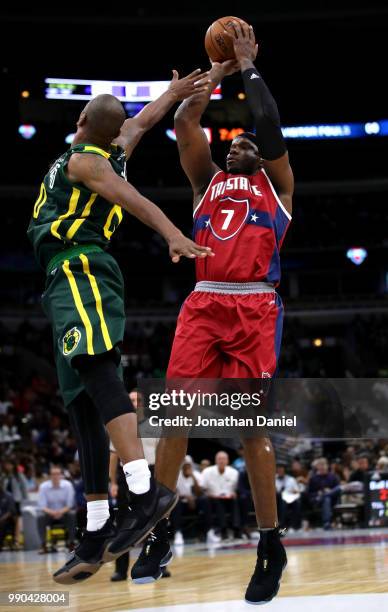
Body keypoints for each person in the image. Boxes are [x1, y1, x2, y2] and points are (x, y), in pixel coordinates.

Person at [27, 69, 214, 585]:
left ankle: (143, 490)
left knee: (96, 367)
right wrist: (175, 92)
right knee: (82, 403)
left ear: (80, 119)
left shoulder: (87, 161)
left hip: (79, 263)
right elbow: (143, 123)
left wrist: (174, 234)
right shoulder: (115, 147)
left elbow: (136, 202)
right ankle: (93, 533)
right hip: (60, 278)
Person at [139, 22, 293, 604]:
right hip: (204, 300)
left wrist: (249, 68)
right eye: (231, 143)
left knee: (252, 430)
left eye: (245, 143)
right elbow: (183, 126)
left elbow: (270, 124)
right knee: (172, 417)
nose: (238, 145)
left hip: (254, 307)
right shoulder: (208, 184)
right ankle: (158, 532)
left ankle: (270, 543)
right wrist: (215, 76)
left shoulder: (277, 186)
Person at [110, 389, 171, 583]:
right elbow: (113, 456)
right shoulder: (120, 426)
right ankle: (120, 570)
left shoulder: (154, 425)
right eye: (131, 400)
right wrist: (112, 482)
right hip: (126, 475)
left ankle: (159, 561)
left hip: (153, 473)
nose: (134, 403)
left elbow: (164, 454)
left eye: (137, 400)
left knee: (156, 521)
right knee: (122, 523)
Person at [200, 451, 241, 540]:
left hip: (229, 498)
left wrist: (234, 493)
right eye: (219, 459)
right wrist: (208, 494)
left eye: (224, 459)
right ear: (216, 461)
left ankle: (236, 528)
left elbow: (237, 488)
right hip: (212, 498)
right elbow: (202, 488)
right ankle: (223, 530)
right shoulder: (207, 472)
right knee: (218, 502)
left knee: (236, 500)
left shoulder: (234, 472)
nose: (221, 461)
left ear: (227, 461)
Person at [37, 466, 76, 553]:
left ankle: (71, 543)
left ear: (61, 475)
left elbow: (70, 504)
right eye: (53, 474)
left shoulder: (68, 485)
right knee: (40, 517)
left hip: (64, 513)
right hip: (49, 514)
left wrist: (60, 512)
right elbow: (42, 506)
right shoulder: (43, 487)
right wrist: (53, 513)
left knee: (72, 515)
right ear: (50, 476)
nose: (55, 476)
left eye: (57, 474)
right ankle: (43, 545)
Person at [1, 460, 28, 549]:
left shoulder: (19, 475)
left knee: (17, 520)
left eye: (9, 464)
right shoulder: (4, 476)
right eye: (6, 464)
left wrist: (25, 500)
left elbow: (24, 489)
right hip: (7, 501)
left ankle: (16, 539)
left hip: (17, 500)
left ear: (13, 465)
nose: (8, 466)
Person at [307, 458, 340, 529]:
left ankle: (326, 522)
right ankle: (327, 522)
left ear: (327, 466)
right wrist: (318, 493)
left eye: (324, 464)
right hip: (318, 500)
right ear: (317, 467)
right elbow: (309, 493)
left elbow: (338, 490)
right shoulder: (313, 478)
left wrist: (330, 491)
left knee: (330, 495)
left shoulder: (333, 477)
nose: (322, 467)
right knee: (326, 499)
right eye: (320, 465)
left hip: (333, 499)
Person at [275, 463, 302, 531]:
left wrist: (292, 491)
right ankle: (282, 526)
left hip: (290, 497)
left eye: (281, 470)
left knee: (297, 502)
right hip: (278, 499)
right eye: (278, 470)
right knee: (283, 500)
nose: (280, 472)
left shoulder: (291, 479)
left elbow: (297, 491)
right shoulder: (273, 479)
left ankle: (295, 526)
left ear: (284, 471)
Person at [0, 483, 16, 551]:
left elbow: (11, 511)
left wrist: (1, 519)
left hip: (7, 520)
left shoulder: (8, 496)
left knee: (2, 524)